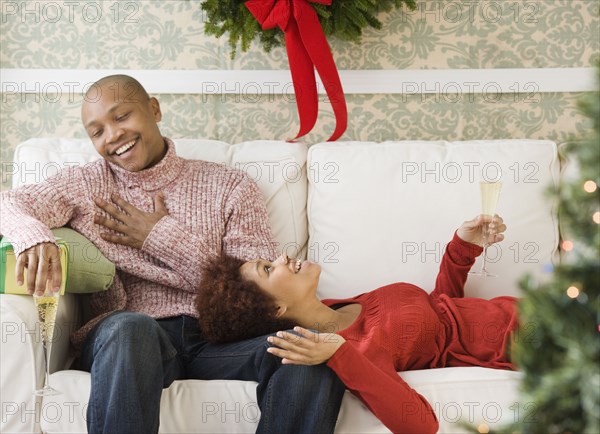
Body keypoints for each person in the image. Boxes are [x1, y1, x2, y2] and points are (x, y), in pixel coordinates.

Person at [0, 74, 345, 434]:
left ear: (154, 109)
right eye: (97, 131)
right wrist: (34, 237)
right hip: (132, 339)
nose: (113, 135)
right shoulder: (87, 183)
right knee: (132, 328)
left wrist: (160, 237)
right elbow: (8, 202)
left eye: (121, 117)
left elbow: (259, 296)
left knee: (310, 352)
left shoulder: (230, 186)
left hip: (219, 342)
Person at [196, 215, 518, 434]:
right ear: (275, 310)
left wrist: (461, 250)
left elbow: (439, 314)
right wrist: (340, 354)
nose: (281, 257)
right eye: (268, 269)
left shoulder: (342, 305)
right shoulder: (351, 352)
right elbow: (421, 426)